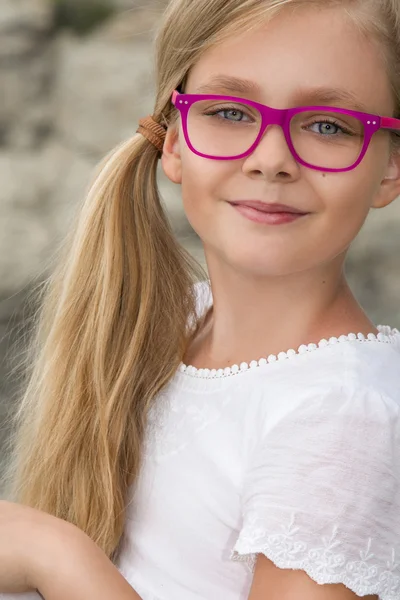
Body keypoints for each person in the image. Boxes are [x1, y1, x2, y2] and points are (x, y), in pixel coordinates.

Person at [1, 0, 400, 598]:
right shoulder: (171, 323)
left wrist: (58, 559)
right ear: (175, 140)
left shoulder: (342, 418)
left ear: (391, 168)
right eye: (231, 111)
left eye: (327, 125)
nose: (271, 160)